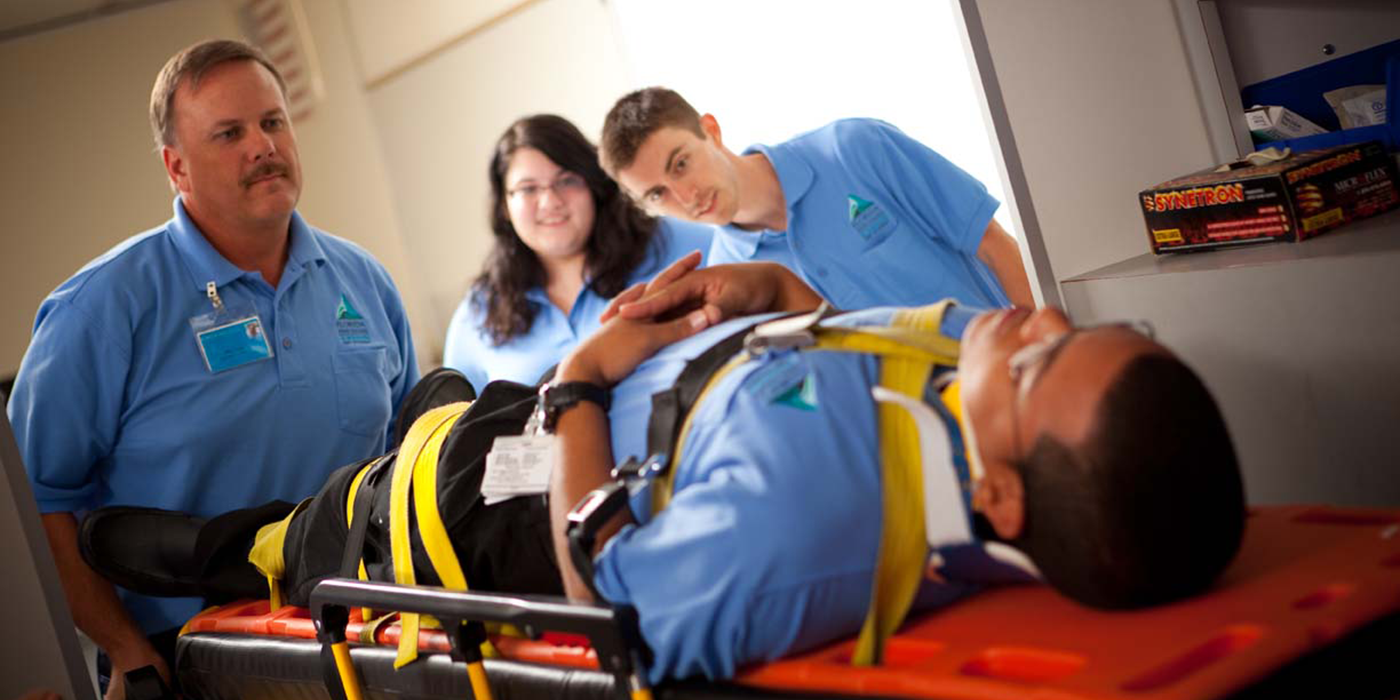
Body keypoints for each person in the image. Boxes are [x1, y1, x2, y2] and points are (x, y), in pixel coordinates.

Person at [83, 263, 1242, 685]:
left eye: (1040, 362)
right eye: (1078, 323)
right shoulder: (966, 375)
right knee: (446, 403)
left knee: (340, 516)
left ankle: (204, 555)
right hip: (575, 406)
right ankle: (419, 425)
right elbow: (846, 364)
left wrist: (586, 374)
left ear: (997, 498)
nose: (1033, 316)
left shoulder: (806, 534)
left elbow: (612, 595)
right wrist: (780, 301)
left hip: (504, 494)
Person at [7, 39, 418, 696]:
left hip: (365, 636)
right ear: (177, 168)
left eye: (272, 122)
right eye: (229, 133)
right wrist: (126, 649)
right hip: (196, 655)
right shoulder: (104, 306)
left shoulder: (362, 280)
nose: (262, 146)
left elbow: (407, 457)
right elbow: (36, 503)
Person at [597, 87, 1035, 311]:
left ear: (710, 130)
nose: (685, 198)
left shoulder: (856, 147)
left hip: (1015, 374)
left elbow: (993, 244)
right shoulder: (731, 279)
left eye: (680, 164)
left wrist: (1048, 350)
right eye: (657, 194)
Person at [441, 114, 714, 393]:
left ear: (594, 184)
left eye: (567, 181)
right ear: (503, 206)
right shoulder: (478, 314)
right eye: (528, 189)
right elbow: (456, 428)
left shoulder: (671, 243)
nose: (550, 202)